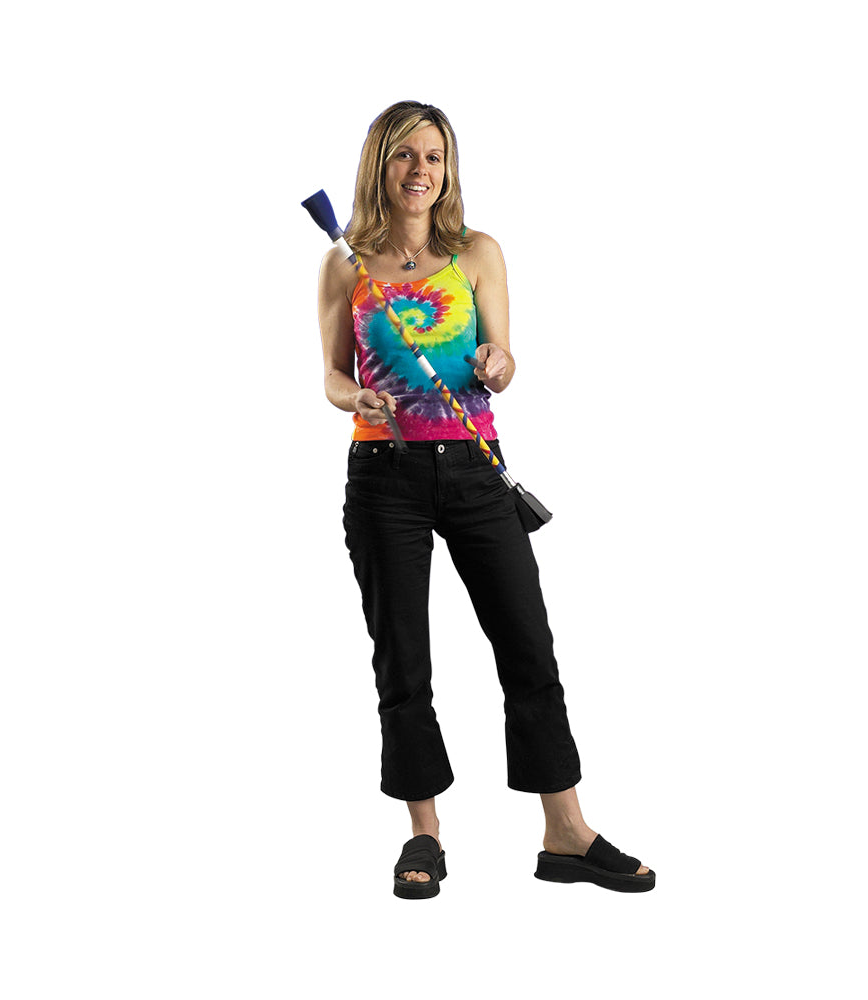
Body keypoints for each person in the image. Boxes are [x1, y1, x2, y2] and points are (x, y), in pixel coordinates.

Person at [316, 100, 654, 897]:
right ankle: (424, 835)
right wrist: (353, 398)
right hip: (384, 477)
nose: (421, 171)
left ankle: (565, 833)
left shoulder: (477, 253)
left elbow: (503, 358)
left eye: (434, 156)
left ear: (448, 169)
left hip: (475, 469)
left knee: (527, 646)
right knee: (403, 660)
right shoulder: (345, 263)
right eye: (405, 156)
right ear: (380, 165)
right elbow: (331, 374)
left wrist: (498, 363)